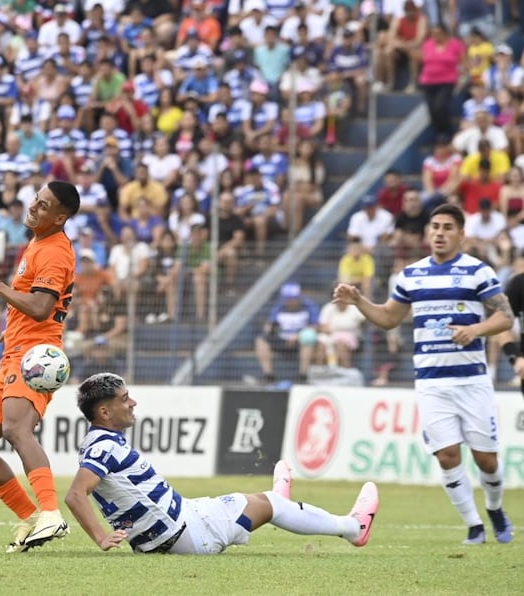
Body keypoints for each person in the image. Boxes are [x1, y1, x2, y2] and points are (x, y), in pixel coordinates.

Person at [333, 204, 514, 544]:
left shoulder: (478, 272)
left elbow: (505, 317)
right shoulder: (412, 276)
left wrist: (475, 329)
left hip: (471, 380)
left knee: (486, 460)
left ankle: (494, 508)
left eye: (447, 227)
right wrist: (359, 301)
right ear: (427, 233)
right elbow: (388, 317)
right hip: (431, 382)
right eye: (434, 227)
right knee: (447, 456)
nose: (440, 233)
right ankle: (474, 525)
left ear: (461, 233)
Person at [65, 372, 379, 554]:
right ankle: (352, 527)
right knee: (267, 503)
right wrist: (100, 537)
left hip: (178, 521)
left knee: (255, 502)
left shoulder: (97, 442)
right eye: (124, 399)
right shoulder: (104, 447)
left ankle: (276, 507)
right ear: (104, 413)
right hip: (184, 535)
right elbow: (75, 494)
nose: (132, 402)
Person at [0, 180, 81, 553]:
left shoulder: (55, 252)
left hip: (35, 357)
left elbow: (43, 308)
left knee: (16, 428)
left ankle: (50, 513)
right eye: (36, 200)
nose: (34, 207)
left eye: (44, 206)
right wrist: (9, 326)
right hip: (17, 349)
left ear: (60, 218)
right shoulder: (38, 241)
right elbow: (33, 303)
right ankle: (31, 518)